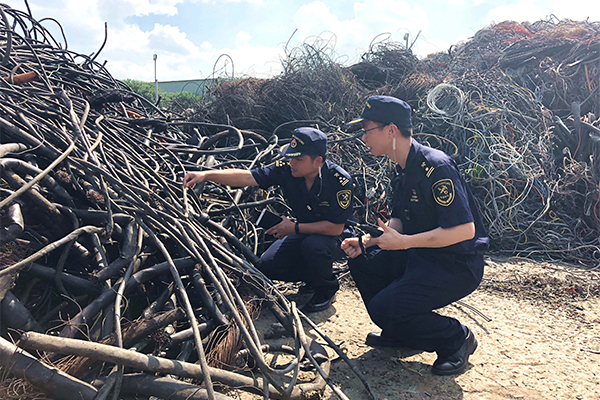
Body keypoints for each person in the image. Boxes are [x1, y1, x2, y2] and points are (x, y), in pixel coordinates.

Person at [341, 95, 489, 375]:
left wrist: (404, 243)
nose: (363, 138)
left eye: (367, 130)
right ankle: (402, 332)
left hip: (456, 263)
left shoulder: (436, 167)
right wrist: (368, 241)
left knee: (385, 307)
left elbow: (464, 230)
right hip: (422, 255)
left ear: (391, 130)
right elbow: (400, 219)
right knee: (363, 259)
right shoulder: (401, 169)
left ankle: (456, 338)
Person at [183, 127, 354, 313]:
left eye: (298, 158)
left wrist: (294, 228)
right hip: (301, 230)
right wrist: (206, 175)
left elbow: (336, 228)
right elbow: (248, 177)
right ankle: (313, 278)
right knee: (267, 266)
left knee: (314, 247)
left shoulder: (339, 181)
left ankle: (326, 288)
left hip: (335, 238)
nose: (292, 162)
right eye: (291, 156)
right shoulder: (286, 169)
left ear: (318, 161)